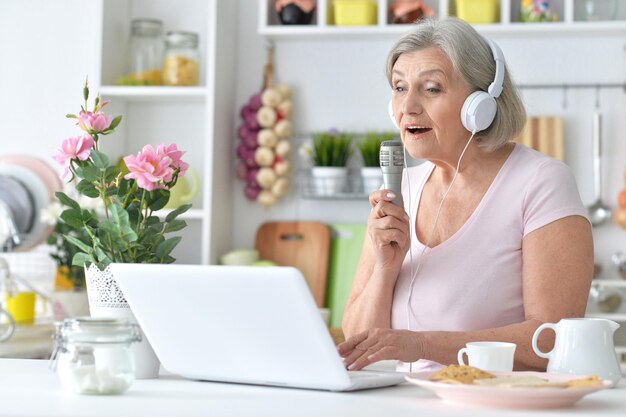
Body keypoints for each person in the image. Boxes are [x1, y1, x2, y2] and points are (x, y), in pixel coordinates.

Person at [339, 17, 593, 372]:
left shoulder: (541, 182)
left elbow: (550, 340)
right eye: (399, 88)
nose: (407, 106)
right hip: (401, 404)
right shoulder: (401, 189)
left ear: (480, 105)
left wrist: (423, 344)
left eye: (431, 89)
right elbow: (360, 344)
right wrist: (385, 267)